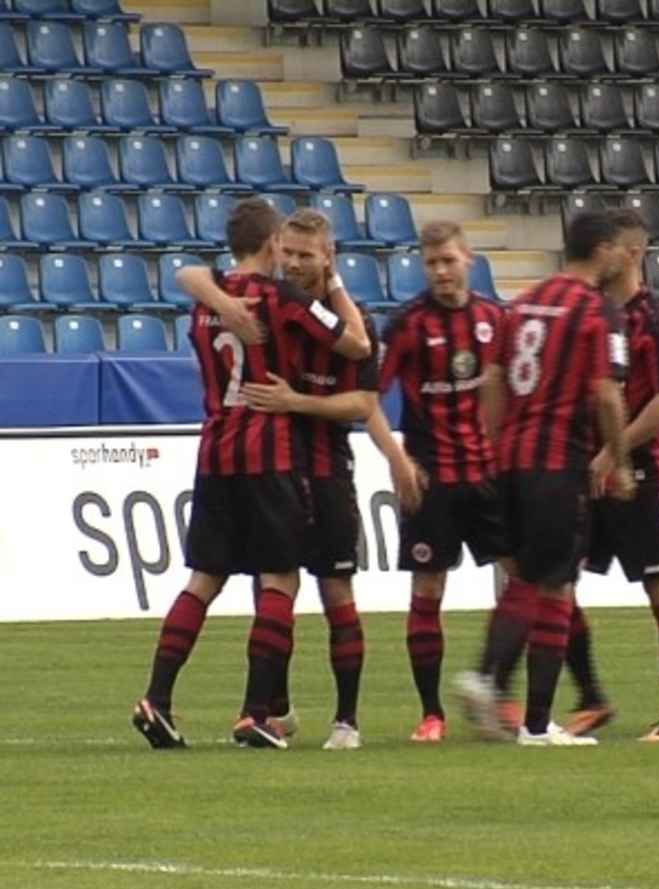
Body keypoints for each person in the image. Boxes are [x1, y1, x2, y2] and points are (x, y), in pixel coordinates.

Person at [130, 198, 371, 750]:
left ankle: (156, 699)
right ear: (270, 246)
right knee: (279, 578)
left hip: (215, 452)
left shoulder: (203, 300)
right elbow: (355, 343)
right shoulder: (281, 300)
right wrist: (332, 284)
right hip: (269, 456)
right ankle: (255, 713)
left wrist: (217, 297)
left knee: (203, 580)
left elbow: (188, 274)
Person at [456, 210, 633, 747]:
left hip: (511, 458)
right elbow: (605, 392)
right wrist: (619, 460)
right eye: (619, 249)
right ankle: (532, 720)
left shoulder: (523, 300)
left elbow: (491, 379)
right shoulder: (594, 309)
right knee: (556, 588)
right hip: (557, 462)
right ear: (601, 251)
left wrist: (494, 443)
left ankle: (490, 680)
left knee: (528, 580)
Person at [371, 221, 507, 743]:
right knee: (427, 590)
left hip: (489, 477)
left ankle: (498, 692)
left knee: (522, 583)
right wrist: (399, 461)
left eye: (449, 261)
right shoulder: (406, 324)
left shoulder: (497, 319)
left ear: (468, 260)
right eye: (432, 264)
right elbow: (369, 401)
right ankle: (432, 714)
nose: (442, 272)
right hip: (432, 481)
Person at [564, 208, 659, 743]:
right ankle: (592, 698)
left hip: (639, 473)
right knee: (556, 582)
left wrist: (612, 455)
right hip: (588, 473)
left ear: (633, 253)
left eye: (611, 246)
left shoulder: (655, 319)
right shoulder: (592, 313)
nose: (602, 255)